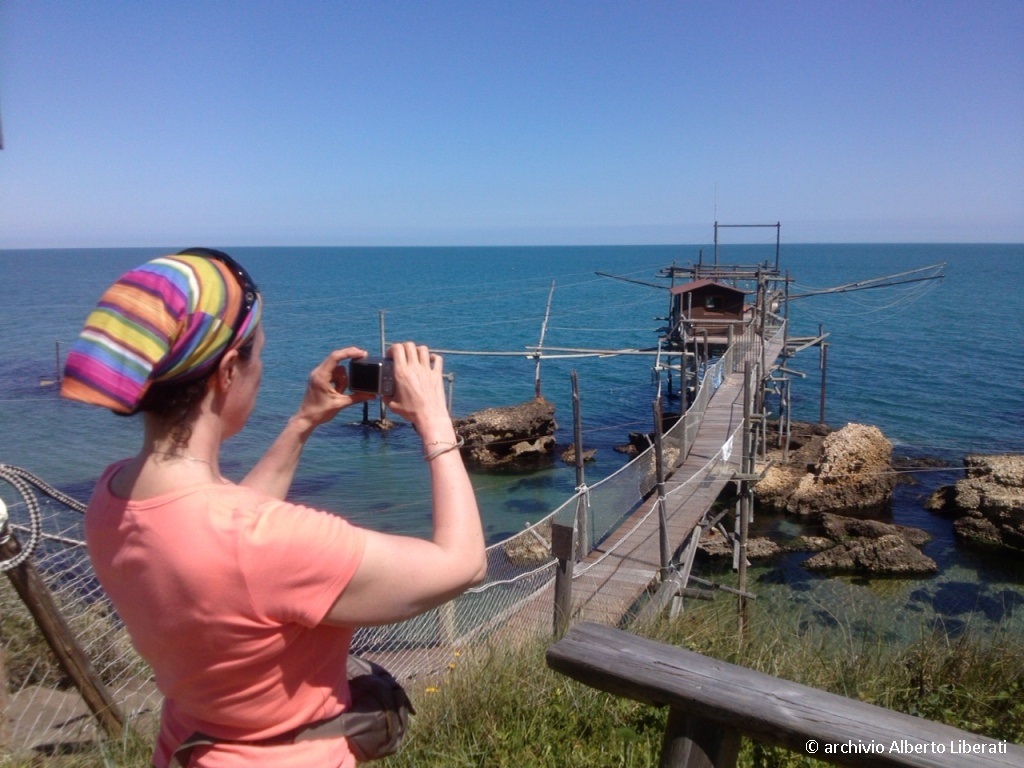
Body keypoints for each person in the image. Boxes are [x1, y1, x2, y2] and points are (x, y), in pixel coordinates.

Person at [61, 248, 486, 767]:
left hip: (185, 746)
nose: (261, 371)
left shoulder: (110, 498)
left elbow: (226, 538)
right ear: (226, 372)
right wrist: (437, 424)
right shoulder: (268, 540)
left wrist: (302, 422)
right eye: (258, 355)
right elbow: (463, 564)